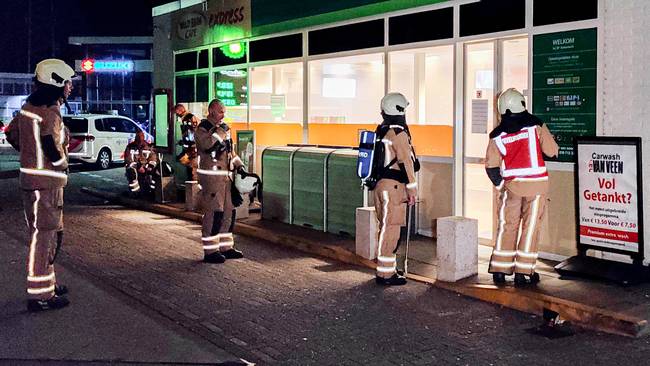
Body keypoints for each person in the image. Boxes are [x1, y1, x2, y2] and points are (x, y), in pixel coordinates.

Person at [5, 59, 75, 311]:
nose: (70, 87)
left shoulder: (28, 108)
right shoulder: (50, 111)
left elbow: (11, 133)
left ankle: (48, 283)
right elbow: (50, 145)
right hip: (46, 183)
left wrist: (29, 154)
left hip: (32, 181)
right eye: (67, 83)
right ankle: (40, 295)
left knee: (46, 234)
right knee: (45, 237)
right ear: (55, 82)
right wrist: (61, 162)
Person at [485, 88, 559, 285]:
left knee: (507, 226)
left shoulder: (497, 134)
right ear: (522, 104)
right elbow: (551, 151)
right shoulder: (536, 125)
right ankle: (523, 272)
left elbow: (491, 166)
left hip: (512, 188)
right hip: (536, 187)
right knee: (530, 227)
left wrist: (502, 186)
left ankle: (500, 270)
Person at [373, 92, 419, 286]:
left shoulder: (381, 131)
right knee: (391, 228)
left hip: (380, 186)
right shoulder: (398, 133)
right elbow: (406, 162)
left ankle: (386, 269)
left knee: (384, 227)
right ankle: (385, 274)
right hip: (393, 187)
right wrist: (412, 189)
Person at [194, 99, 244, 263]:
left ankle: (226, 247)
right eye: (221, 111)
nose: (224, 114)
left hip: (226, 178)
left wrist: (239, 166)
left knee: (229, 213)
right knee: (214, 214)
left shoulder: (223, 129)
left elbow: (230, 152)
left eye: (224, 111)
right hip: (212, 179)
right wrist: (220, 132)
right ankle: (210, 251)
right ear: (211, 111)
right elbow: (207, 145)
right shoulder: (203, 128)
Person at [124, 130, 158, 197]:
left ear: (144, 137)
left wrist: (150, 166)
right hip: (135, 167)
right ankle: (135, 192)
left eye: (141, 136)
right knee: (131, 172)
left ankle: (152, 191)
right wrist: (138, 166)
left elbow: (153, 158)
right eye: (138, 136)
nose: (140, 138)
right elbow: (128, 160)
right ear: (135, 137)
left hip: (146, 166)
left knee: (155, 172)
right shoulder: (130, 147)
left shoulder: (148, 147)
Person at [174, 103, 199, 181]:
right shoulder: (187, 118)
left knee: (192, 169)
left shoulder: (188, 118)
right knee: (187, 164)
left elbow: (192, 132)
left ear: (180, 110)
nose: (176, 115)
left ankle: (193, 186)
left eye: (176, 112)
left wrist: (189, 144)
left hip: (192, 150)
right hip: (190, 149)